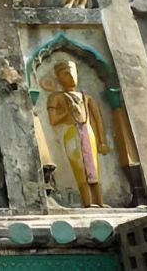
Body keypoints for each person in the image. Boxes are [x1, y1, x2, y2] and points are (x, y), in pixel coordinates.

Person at [46, 60, 110, 208]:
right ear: (58, 77)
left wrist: (102, 141)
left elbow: (97, 119)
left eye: (72, 72)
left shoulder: (86, 97)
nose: (71, 76)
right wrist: (67, 112)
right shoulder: (56, 97)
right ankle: (87, 202)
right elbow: (53, 120)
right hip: (71, 133)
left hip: (88, 132)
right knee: (80, 167)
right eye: (65, 73)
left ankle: (99, 202)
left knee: (93, 166)